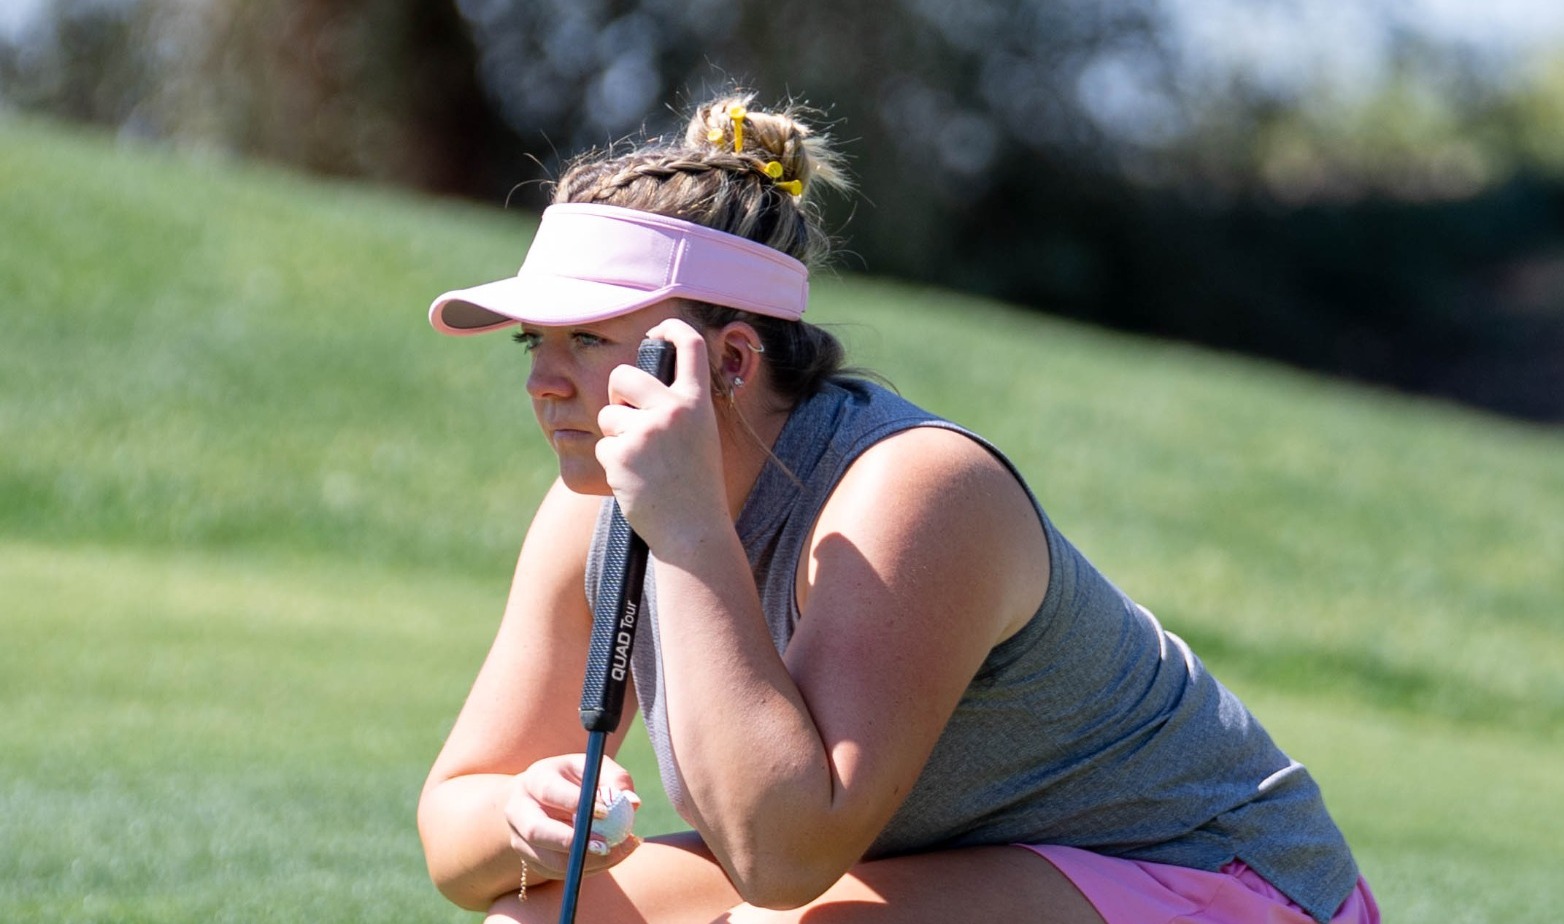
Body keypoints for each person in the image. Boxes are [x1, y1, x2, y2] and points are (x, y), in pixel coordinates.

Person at [415, 92, 1380, 924]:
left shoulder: (915, 490)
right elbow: (455, 821)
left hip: (1223, 882)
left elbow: (784, 861)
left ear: (733, 362)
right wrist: (521, 818)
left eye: (586, 340)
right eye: (530, 344)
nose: (544, 382)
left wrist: (691, 532)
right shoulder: (597, 506)